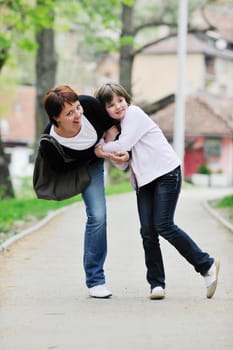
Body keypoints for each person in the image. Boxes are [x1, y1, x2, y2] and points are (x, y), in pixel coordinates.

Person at [94, 82, 220, 300]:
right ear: (104, 110)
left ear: (127, 100)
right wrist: (109, 144)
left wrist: (102, 148)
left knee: (164, 225)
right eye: (110, 104)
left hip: (166, 173)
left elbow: (124, 144)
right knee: (148, 232)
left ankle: (206, 264)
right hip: (144, 182)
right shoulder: (118, 129)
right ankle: (156, 284)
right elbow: (123, 164)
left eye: (120, 100)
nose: (118, 106)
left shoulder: (134, 114)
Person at [40, 85, 128, 298]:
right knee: (96, 215)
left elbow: (114, 124)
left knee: (99, 216)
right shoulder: (50, 143)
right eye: (69, 113)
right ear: (56, 118)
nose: (78, 114)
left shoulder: (89, 105)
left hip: (97, 157)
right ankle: (96, 280)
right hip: (80, 166)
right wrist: (94, 154)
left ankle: (95, 279)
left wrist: (108, 143)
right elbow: (61, 168)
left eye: (77, 108)